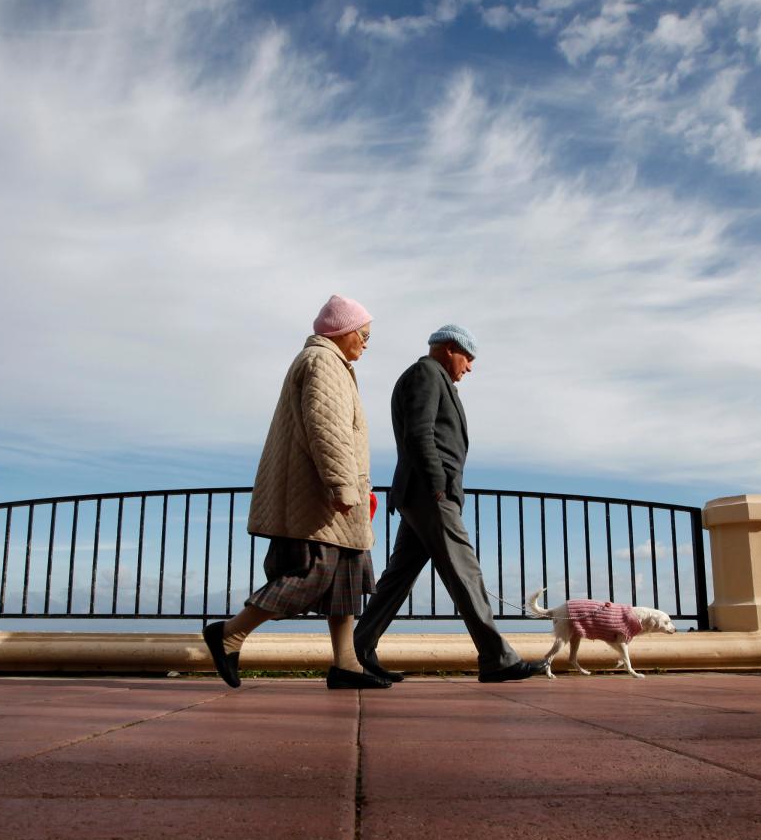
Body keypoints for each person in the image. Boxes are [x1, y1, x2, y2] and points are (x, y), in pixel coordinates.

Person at [201, 294, 389, 690]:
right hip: (320, 497)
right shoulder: (324, 363)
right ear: (343, 331)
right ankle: (229, 634)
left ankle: (346, 665)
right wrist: (342, 485)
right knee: (309, 574)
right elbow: (328, 430)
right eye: (364, 335)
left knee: (344, 579)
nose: (367, 344)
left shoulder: (331, 364)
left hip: (326, 493)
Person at [353, 325, 544, 683]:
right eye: (468, 357)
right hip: (429, 494)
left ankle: (356, 654)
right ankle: (496, 658)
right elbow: (419, 433)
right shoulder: (426, 373)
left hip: (420, 493)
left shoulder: (433, 376)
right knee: (465, 572)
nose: (469, 367)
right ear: (450, 349)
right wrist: (439, 484)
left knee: (397, 579)